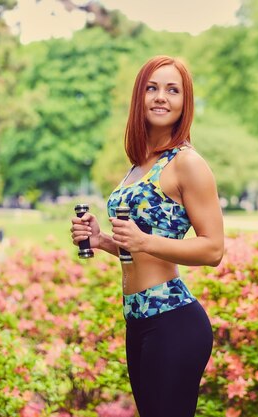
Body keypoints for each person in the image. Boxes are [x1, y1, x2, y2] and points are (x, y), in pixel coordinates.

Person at [70, 55, 224, 417]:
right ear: (139, 96)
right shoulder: (140, 164)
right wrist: (102, 240)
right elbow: (139, 245)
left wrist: (143, 241)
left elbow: (214, 248)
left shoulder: (187, 163)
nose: (161, 97)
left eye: (173, 90)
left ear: (185, 103)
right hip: (138, 319)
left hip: (173, 320)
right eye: (152, 88)